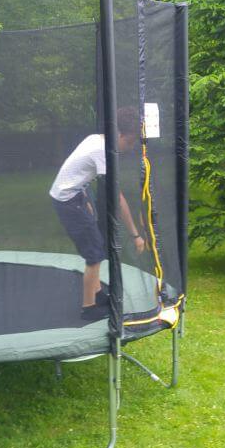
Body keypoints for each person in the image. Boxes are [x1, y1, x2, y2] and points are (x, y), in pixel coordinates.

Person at [50, 107, 145, 321]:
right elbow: (117, 198)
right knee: (94, 253)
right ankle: (89, 308)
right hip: (67, 201)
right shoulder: (102, 151)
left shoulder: (96, 138)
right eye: (130, 141)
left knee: (97, 244)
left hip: (76, 195)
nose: (131, 147)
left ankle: (98, 293)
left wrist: (84, 198)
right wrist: (135, 235)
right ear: (119, 134)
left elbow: (76, 171)